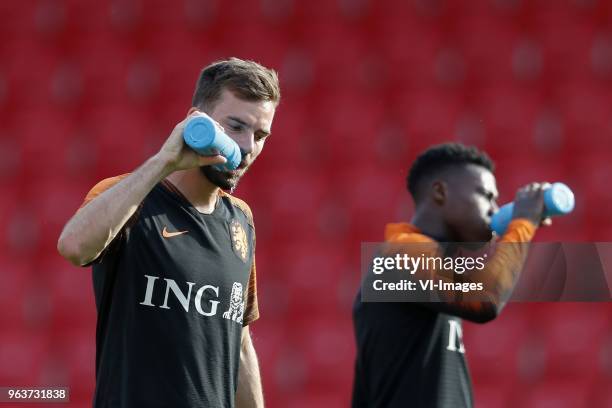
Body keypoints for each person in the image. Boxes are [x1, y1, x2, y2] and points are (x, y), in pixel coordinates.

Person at [57, 58, 280, 408]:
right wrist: (165, 160)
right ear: (197, 122)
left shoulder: (241, 221)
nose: (248, 147)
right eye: (236, 127)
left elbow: (239, 342)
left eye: (260, 135)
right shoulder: (128, 197)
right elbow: (73, 247)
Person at [351, 143, 551, 408]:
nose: (495, 208)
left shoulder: (429, 264)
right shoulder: (401, 251)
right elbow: (485, 300)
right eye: (485, 195)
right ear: (440, 192)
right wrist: (523, 224)